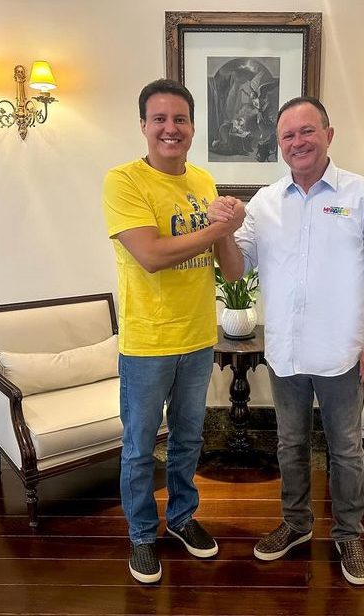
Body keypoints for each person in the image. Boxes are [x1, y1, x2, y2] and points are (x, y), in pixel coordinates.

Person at [210, 96, 364, 585]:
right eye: (288, 135)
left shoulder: (363, 196)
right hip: (286, 352)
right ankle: (296, 525)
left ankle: (348, 534)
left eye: (307, 131)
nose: (298, 142)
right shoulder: (265, 203)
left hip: (341, 353)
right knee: (290, 444)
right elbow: (235, 270)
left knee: (346, 449)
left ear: (328, 135)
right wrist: (222, 231)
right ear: (279, 144)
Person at [102, 78, 245, 584]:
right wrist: (218, 227)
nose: (170, 128)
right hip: (147, 342)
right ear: (143, 125)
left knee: (188, 440)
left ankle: (182, 518)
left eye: (180, 119)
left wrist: (229, 227)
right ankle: (142, 535)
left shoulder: (204, 182)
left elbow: (232, 271)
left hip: (198, 337)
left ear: (192, 127)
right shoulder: (124, 181)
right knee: (140, 447)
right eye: (160, 119)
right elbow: (151, 255)